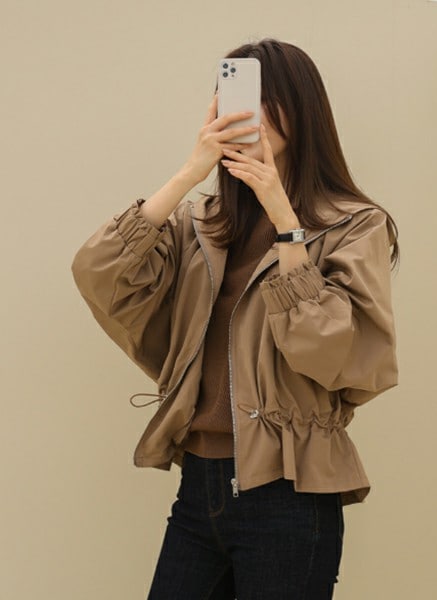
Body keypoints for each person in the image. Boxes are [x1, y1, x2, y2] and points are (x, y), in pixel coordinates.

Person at [71, 38, 399, 599]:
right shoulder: (200, 222)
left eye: (270, 97)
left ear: (303, 109)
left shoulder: (354, 225)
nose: (251, 110)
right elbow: (98, 273)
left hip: (290, 492)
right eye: (238, 94)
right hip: (198, 490)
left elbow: (335, 356)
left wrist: (286, 224)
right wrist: (189, 172)